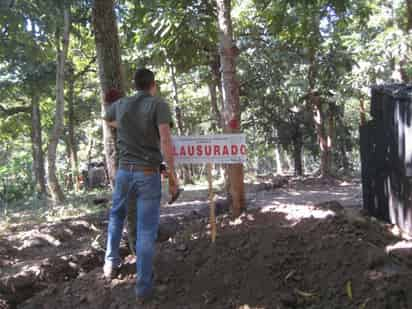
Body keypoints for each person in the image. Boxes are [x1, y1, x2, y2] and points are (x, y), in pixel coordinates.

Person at [102, 68, 179, 303]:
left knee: (116, 216)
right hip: (147, 174)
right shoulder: (158, 104)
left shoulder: (122, 104)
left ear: (135, 85)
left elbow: (106, 117)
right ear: (152, 85)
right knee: (146, 231)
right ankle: (143, 289)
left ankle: (110, 263)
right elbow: (165, 139)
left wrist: (123, 125)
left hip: (125, 173)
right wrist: (173, 177)